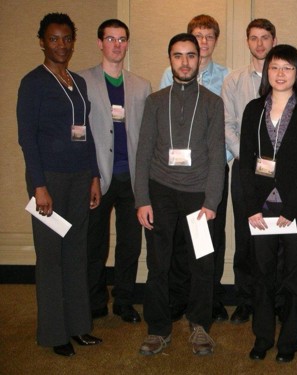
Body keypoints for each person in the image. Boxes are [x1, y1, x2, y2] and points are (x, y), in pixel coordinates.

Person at [17, 12, 103, 357]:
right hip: (49, 181)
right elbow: (28, 138)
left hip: (80, 178)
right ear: (42, 41)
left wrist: (94, 175)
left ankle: (79, 325)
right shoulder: (33, 82)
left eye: (67, 38)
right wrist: (39, 186)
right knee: (51, 257)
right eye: (54, 39)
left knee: (76, 253)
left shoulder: (77, 82)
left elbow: (87, 132)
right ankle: (54, 332)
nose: (61, 45)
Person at [135, 33, 225, 356]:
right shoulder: (155, 101)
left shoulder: (214, 103)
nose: (185, 62)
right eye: (178, 56)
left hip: (198, 194)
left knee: (202, 261)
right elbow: (143, 152)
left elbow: (217, 156)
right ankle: (158, 329)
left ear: (199, 59)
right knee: (158, 263)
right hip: (160, 192)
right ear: (169, 59)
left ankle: (199, 325)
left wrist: (211, 201)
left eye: (191, 55)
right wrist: (142, 199)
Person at [240, 44, 297, 363]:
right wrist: (251, 207)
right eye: (275, 67)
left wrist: (289, 208)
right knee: (261, 275)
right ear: (267, 72)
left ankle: (290, 339)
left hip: (295, 209)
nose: (280, 73)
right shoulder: (253, 110)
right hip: (261, 209)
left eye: (288, 68)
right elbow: (246, 161)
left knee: (294, 275)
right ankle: (262, 337)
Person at [159, 14, 230, 324]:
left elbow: (227, 125)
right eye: (197, 36)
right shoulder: (169, 73)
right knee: (178, 241)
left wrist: (219, 161)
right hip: (175, 178)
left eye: (208, 36)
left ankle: (208, 299)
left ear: (215, 41)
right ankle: (179, 298)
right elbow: (164, 120)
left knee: (208, 239)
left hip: (211, 173)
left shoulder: (226, 77)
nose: (203, 42)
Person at [80, 19, 152, 324]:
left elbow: (147, 137)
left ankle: (124, 300)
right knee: (94, 243)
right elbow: (79, 134)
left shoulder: (141, 85)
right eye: (110, 39)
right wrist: (89, 175)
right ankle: (95, 299)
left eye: (122, 39)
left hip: (131, 180)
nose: (117, 45)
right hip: (98, 178)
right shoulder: (81, 81)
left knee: (129, 244)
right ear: (99, 43)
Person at [222, 18, 277, 324]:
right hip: (245, 169)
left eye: (265, 37)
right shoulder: (234, 80)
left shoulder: (284, 75)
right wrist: (251, 160)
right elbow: (227, 125)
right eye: (254, 38)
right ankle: (245, 300)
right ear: (247, 42)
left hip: (277, 171)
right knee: (245, 237)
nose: (259, 43)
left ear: (273, 40)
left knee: (274, 235)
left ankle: (273, 298)